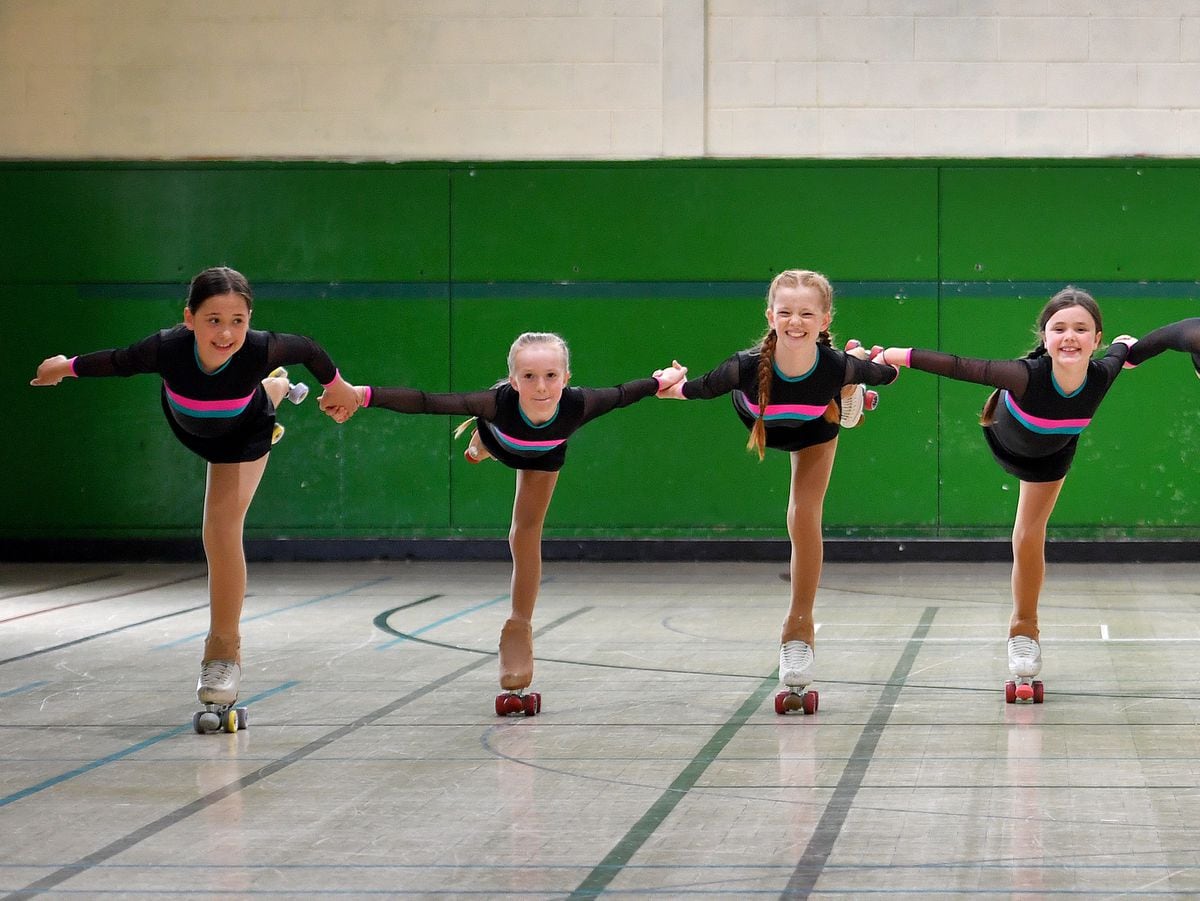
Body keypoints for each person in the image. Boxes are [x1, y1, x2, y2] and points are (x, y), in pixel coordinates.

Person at [30, 266, 359, 730]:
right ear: (189, 318)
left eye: (238, 321)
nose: (226, 333)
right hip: (195, 431)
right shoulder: (167, 348)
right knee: (265, 399)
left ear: (250, 320)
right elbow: (118, 361)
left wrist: (337, 386)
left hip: (242, 435)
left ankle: (222, 655)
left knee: (221, 530)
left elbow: (309, 348)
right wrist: (63, 367)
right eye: (213, 320)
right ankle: (279, 387)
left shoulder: (261, 347)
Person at [320, 332, 686, 716]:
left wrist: (663, 380)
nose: (541, 386)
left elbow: (626, 392)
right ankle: (478, 442)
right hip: (500, 439)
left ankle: (518, 627)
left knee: (524, 535)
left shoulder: (579, 404)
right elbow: (428, 401)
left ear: (566, 377)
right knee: (481, 448)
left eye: (550, 375)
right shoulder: (497, 403)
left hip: (543, 457)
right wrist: (360, 394)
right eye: (528, 377)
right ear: (513, 380)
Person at [872, 287, 1136, 702]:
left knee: (1029, 535)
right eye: (1059, 328)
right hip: (1006, 437)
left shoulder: (1103, 372)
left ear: (1097, 338)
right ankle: (1023, 630)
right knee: (1025, 533)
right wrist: (894, 355)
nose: (1070, 336)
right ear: (1045, 337)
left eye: (1081, 329)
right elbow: (962, 366)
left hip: (1054, 451)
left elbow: (1131, 348)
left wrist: (1129, 346)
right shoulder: (1025, 375)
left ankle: (1024, 633)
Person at [655, 269, 899, 714]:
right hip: (766, 422)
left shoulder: (834, 365)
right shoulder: (744, 367)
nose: (795, 321)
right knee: (847, 385)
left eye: (807, 313)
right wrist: (668, 383)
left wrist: (879, 364)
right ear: (770, 315)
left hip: (814, 430)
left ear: (824, 319)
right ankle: (854, 398)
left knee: (802, 516)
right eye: (785, 312)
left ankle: (798, 629)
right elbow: (691, 390)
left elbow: (889, 375)